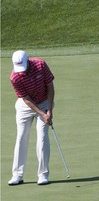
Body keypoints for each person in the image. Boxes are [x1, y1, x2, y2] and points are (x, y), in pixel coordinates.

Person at [8, 50, 55, 185]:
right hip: (25, 106)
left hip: (44, 101)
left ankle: (43, 174)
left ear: (28, 61)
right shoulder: (14, 77)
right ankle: (17, 175)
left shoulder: (40, 65)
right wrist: (41, 113)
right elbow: (26, 99)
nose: (21, 71)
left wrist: (49, 111)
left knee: (42, 137)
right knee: (21, 136)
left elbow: (50, 87)